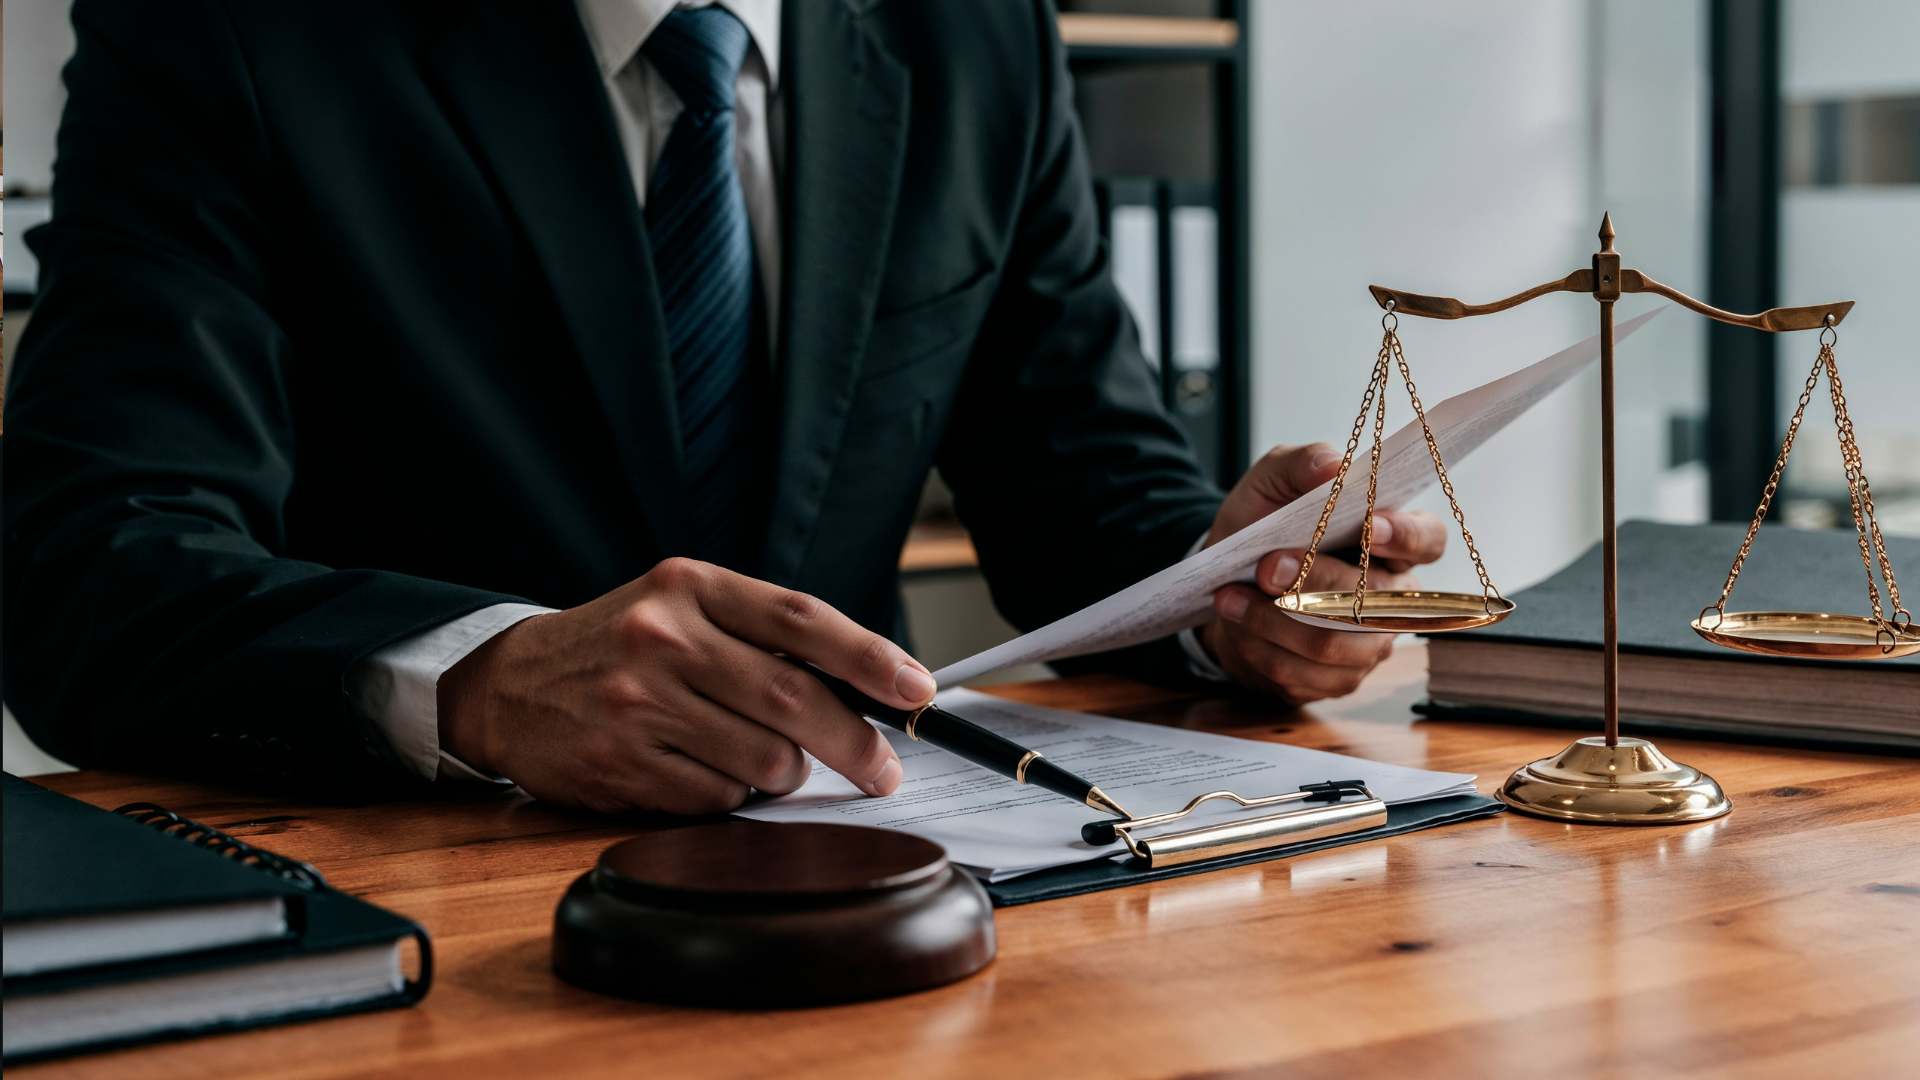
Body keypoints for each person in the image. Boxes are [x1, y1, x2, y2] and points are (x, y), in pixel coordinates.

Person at [4, 0, 1445, 813]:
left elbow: (1080, 485)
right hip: (421, 895)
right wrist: (480, 678)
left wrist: (1233, 590)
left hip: (878, 875)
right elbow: (90, 578)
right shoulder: (218, 28)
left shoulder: (976, 35)